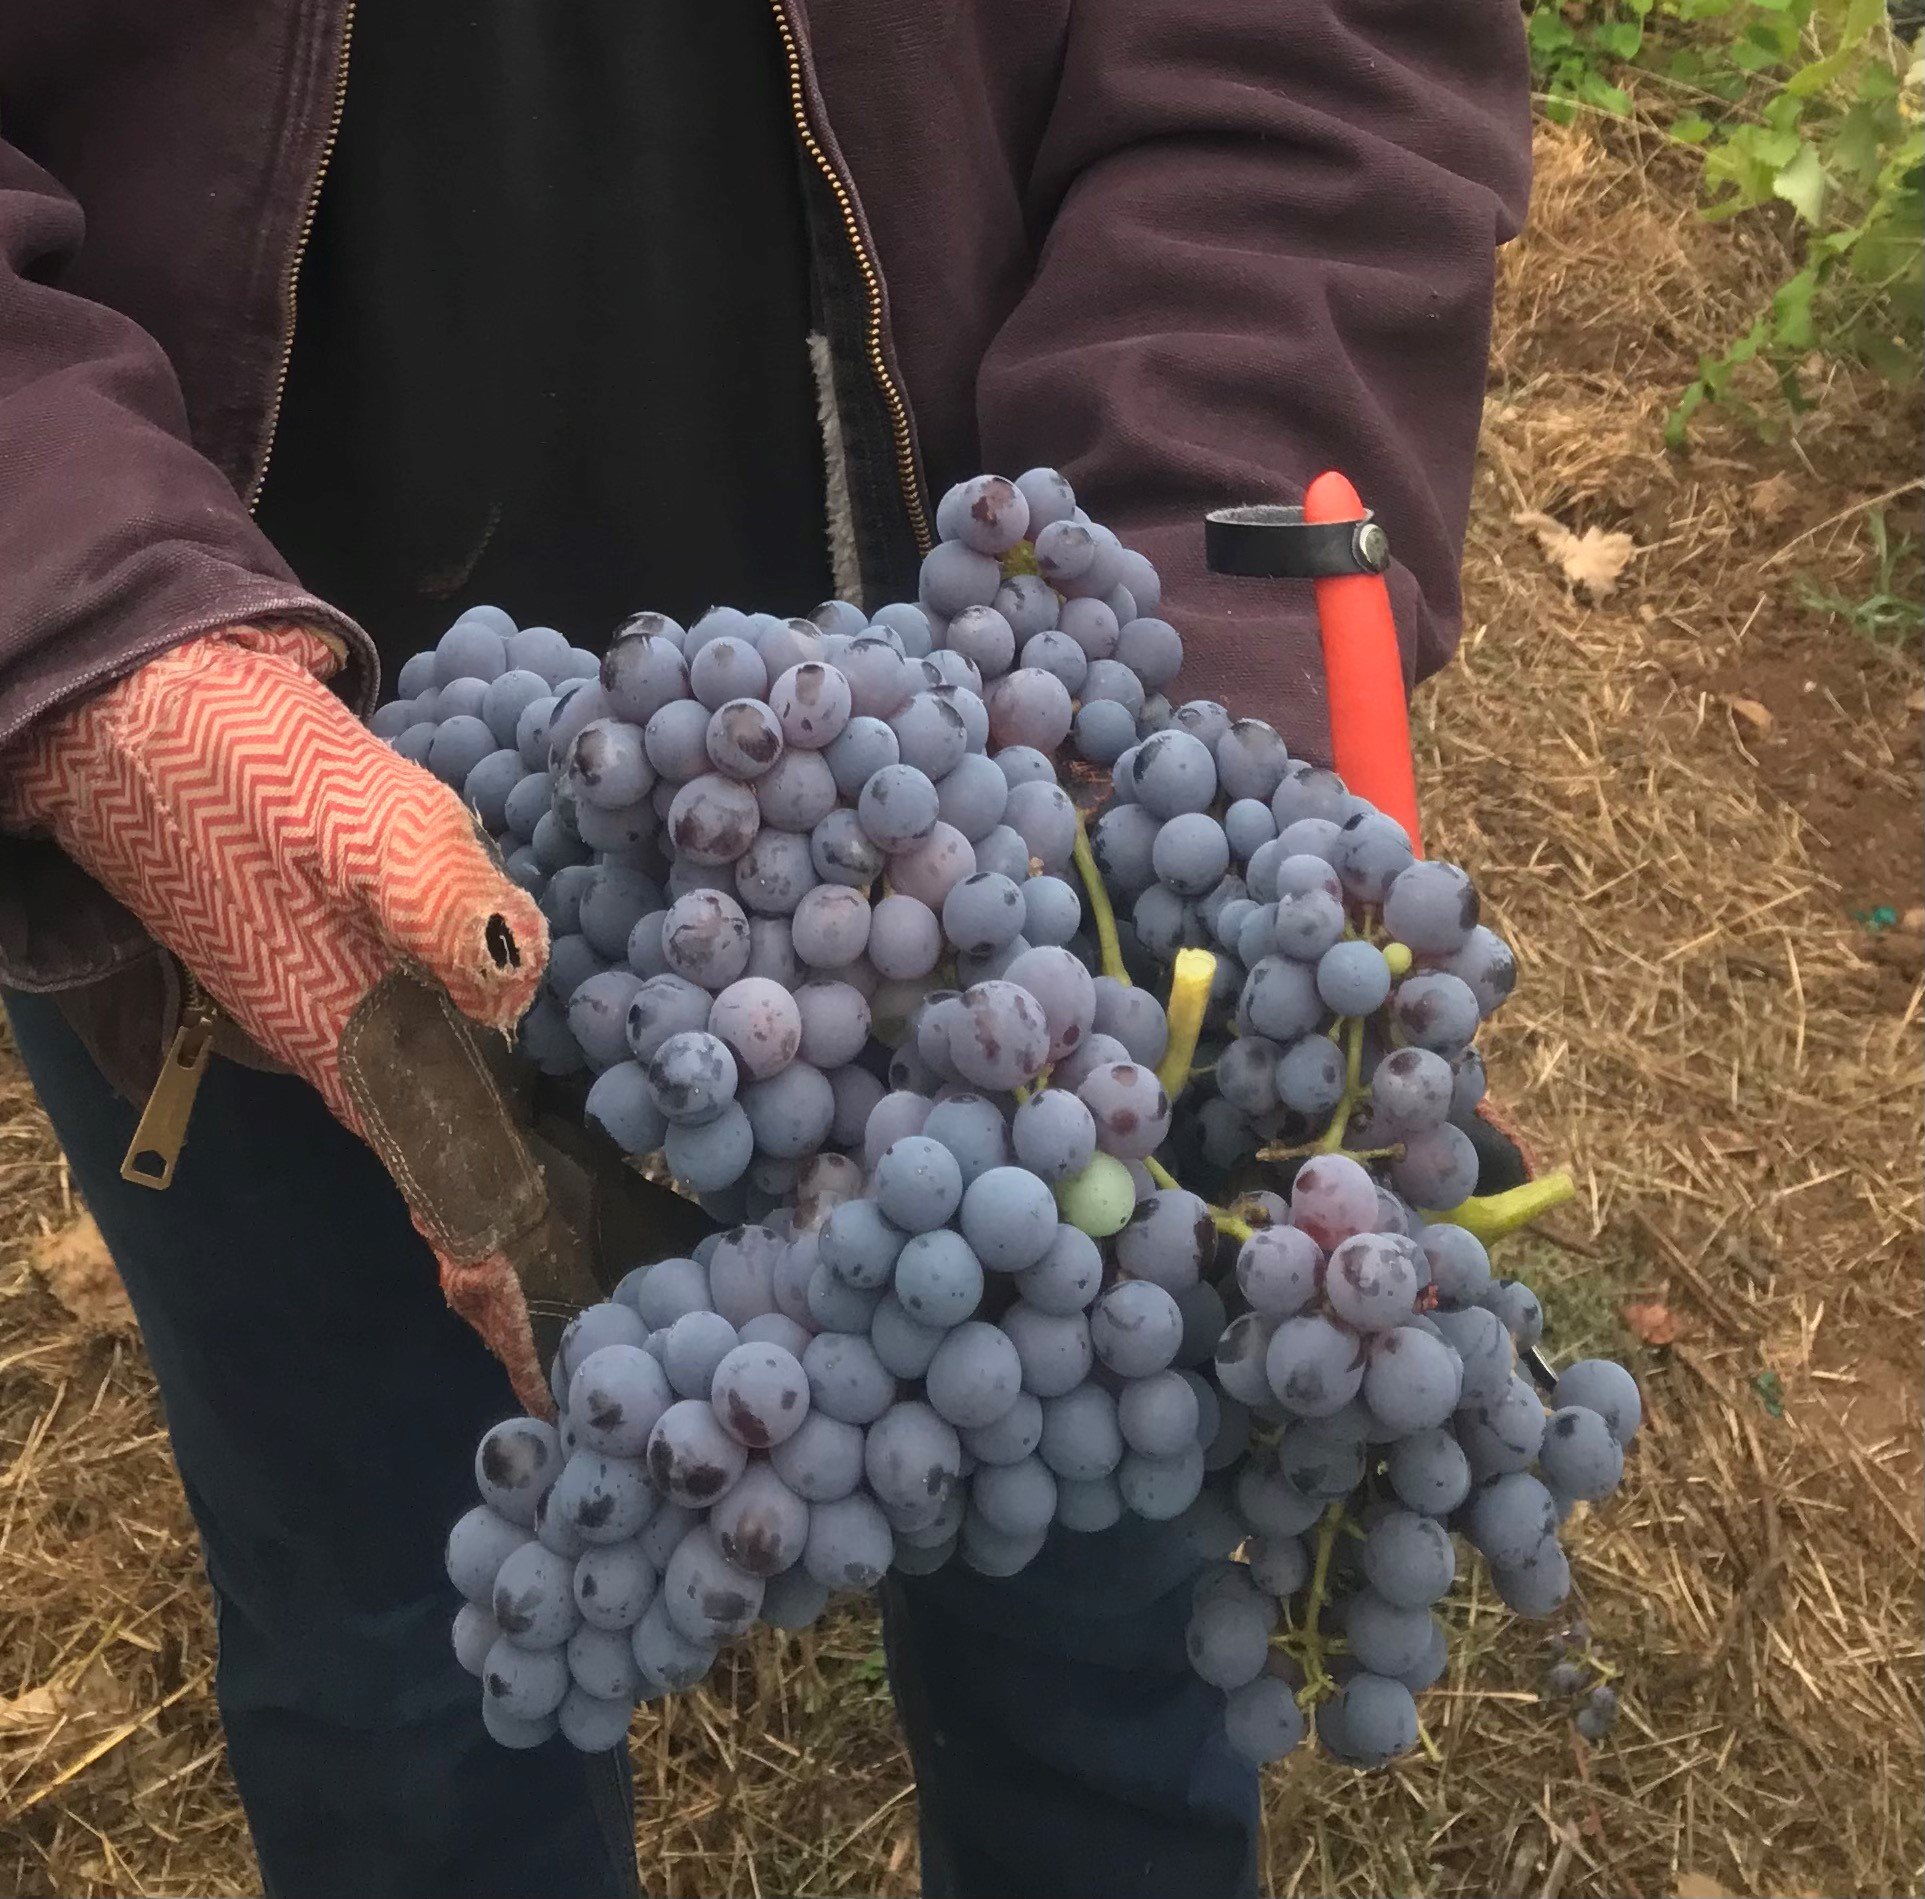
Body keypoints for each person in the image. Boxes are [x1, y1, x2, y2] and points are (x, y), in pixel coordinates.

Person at [0, 6, 1532, 1895]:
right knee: (394, 1647)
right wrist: (71, 607)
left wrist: (1185, 675)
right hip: (238, 774)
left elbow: (1306, 71)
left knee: (1103, 1596)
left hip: (1025, 862)